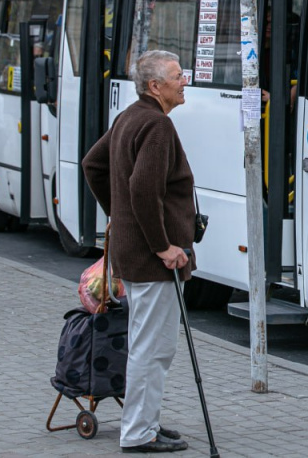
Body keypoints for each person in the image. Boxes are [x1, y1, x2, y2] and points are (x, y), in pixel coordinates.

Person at [82, 50, 195, 454]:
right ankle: (138, 433)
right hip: (152, 258)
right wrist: (163, 245)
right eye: (178, 76)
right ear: (155, 86)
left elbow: (92, 164)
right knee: (153, 346)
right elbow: (144, 190)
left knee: (150, 342)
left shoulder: (130, 116)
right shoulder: (156, 125)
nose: (185, 82)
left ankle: (145, 422)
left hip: (135, 252)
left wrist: (118, 214)